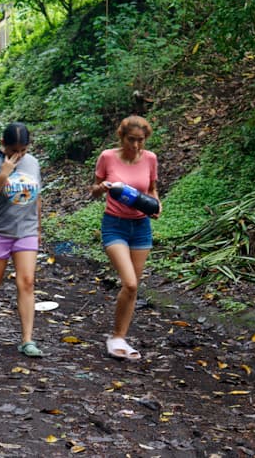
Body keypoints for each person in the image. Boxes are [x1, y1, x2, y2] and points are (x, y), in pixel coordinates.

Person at [90, 115, 160, 361]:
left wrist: (156, 205)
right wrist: (102, 188)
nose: (136, 145)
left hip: (141, 226)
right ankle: (116, 336)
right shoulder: (107, 157)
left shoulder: (150, 158)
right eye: (132, 140)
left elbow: (151, 189)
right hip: (114, 225)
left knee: (132, 288)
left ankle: (119, 336)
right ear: (122, 137)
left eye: (141, 140)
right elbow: (94, 191)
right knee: (129, 282)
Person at [0, 122, 44, 358]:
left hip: (26, 231)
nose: (18, 155)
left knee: (27, 282)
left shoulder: (33, 163)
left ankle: (27, 340)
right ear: (2, 144)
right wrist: (3, 174)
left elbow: (36, 196)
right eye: (13, 150)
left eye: (22, 150)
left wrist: (38, 229)